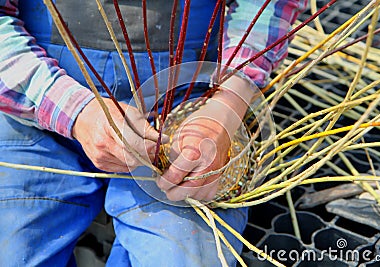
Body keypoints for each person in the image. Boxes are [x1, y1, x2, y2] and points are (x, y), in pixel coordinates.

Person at [0, 0, 306, 266]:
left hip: (183, 120)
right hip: (35, 113)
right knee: (13, 251)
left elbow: (269, 6)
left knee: (182, 255)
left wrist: (226, 106)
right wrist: (76, 111)